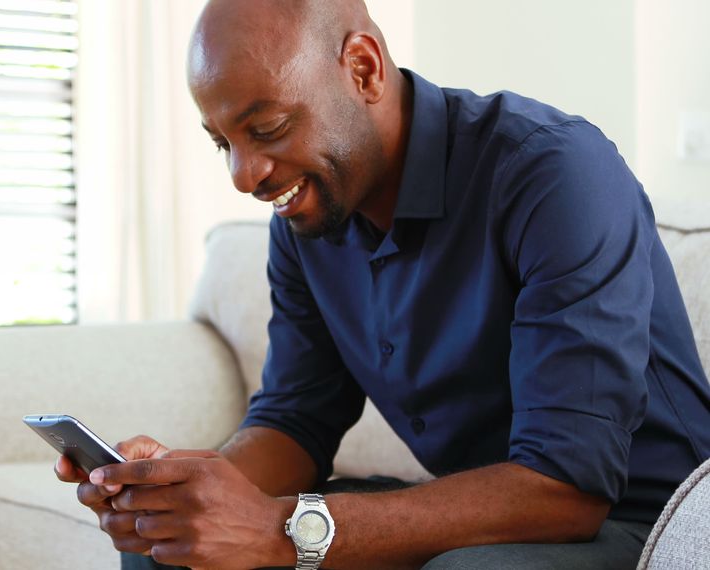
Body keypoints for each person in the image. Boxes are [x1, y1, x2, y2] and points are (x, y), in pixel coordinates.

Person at [55, 0, 710, 568]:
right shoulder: (306, 216)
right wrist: (187, 487)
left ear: (362, 68)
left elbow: (567, 487)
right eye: (222, 142)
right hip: (484, 522)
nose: (243, 174)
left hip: (647, 526)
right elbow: (297, 422)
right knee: (172, 548)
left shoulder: (553, 173)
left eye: (267, 129)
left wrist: (280, 531)